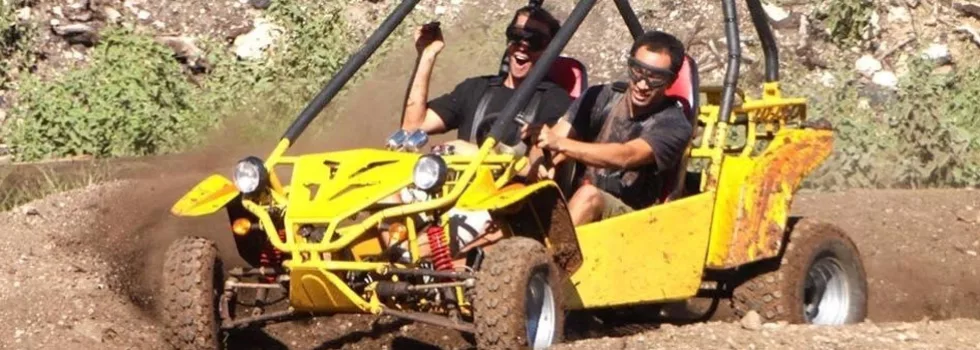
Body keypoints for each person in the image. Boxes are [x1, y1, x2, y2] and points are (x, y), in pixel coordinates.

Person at [523, 30, 693, 226]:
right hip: (576, 200)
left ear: (670, 81)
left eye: (655, 78)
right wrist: (539, 162)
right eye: (637, 71)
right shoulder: (600, 97)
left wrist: (561, 144)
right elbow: (550, 139)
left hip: (635, 221)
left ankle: (550, 255)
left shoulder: (673, 124)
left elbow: (626, 156)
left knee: (589, 196)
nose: (643, 84)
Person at [400, 5, 572, 155]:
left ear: (549, 50)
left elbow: (543, 170)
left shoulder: (555, 101)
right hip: (456, 186)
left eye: (534, 40)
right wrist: (427, 55)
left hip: (510, 190)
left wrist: (475, 153)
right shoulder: (475, 89)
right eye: (516, 35)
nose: (523, 45)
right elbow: (412, 127)